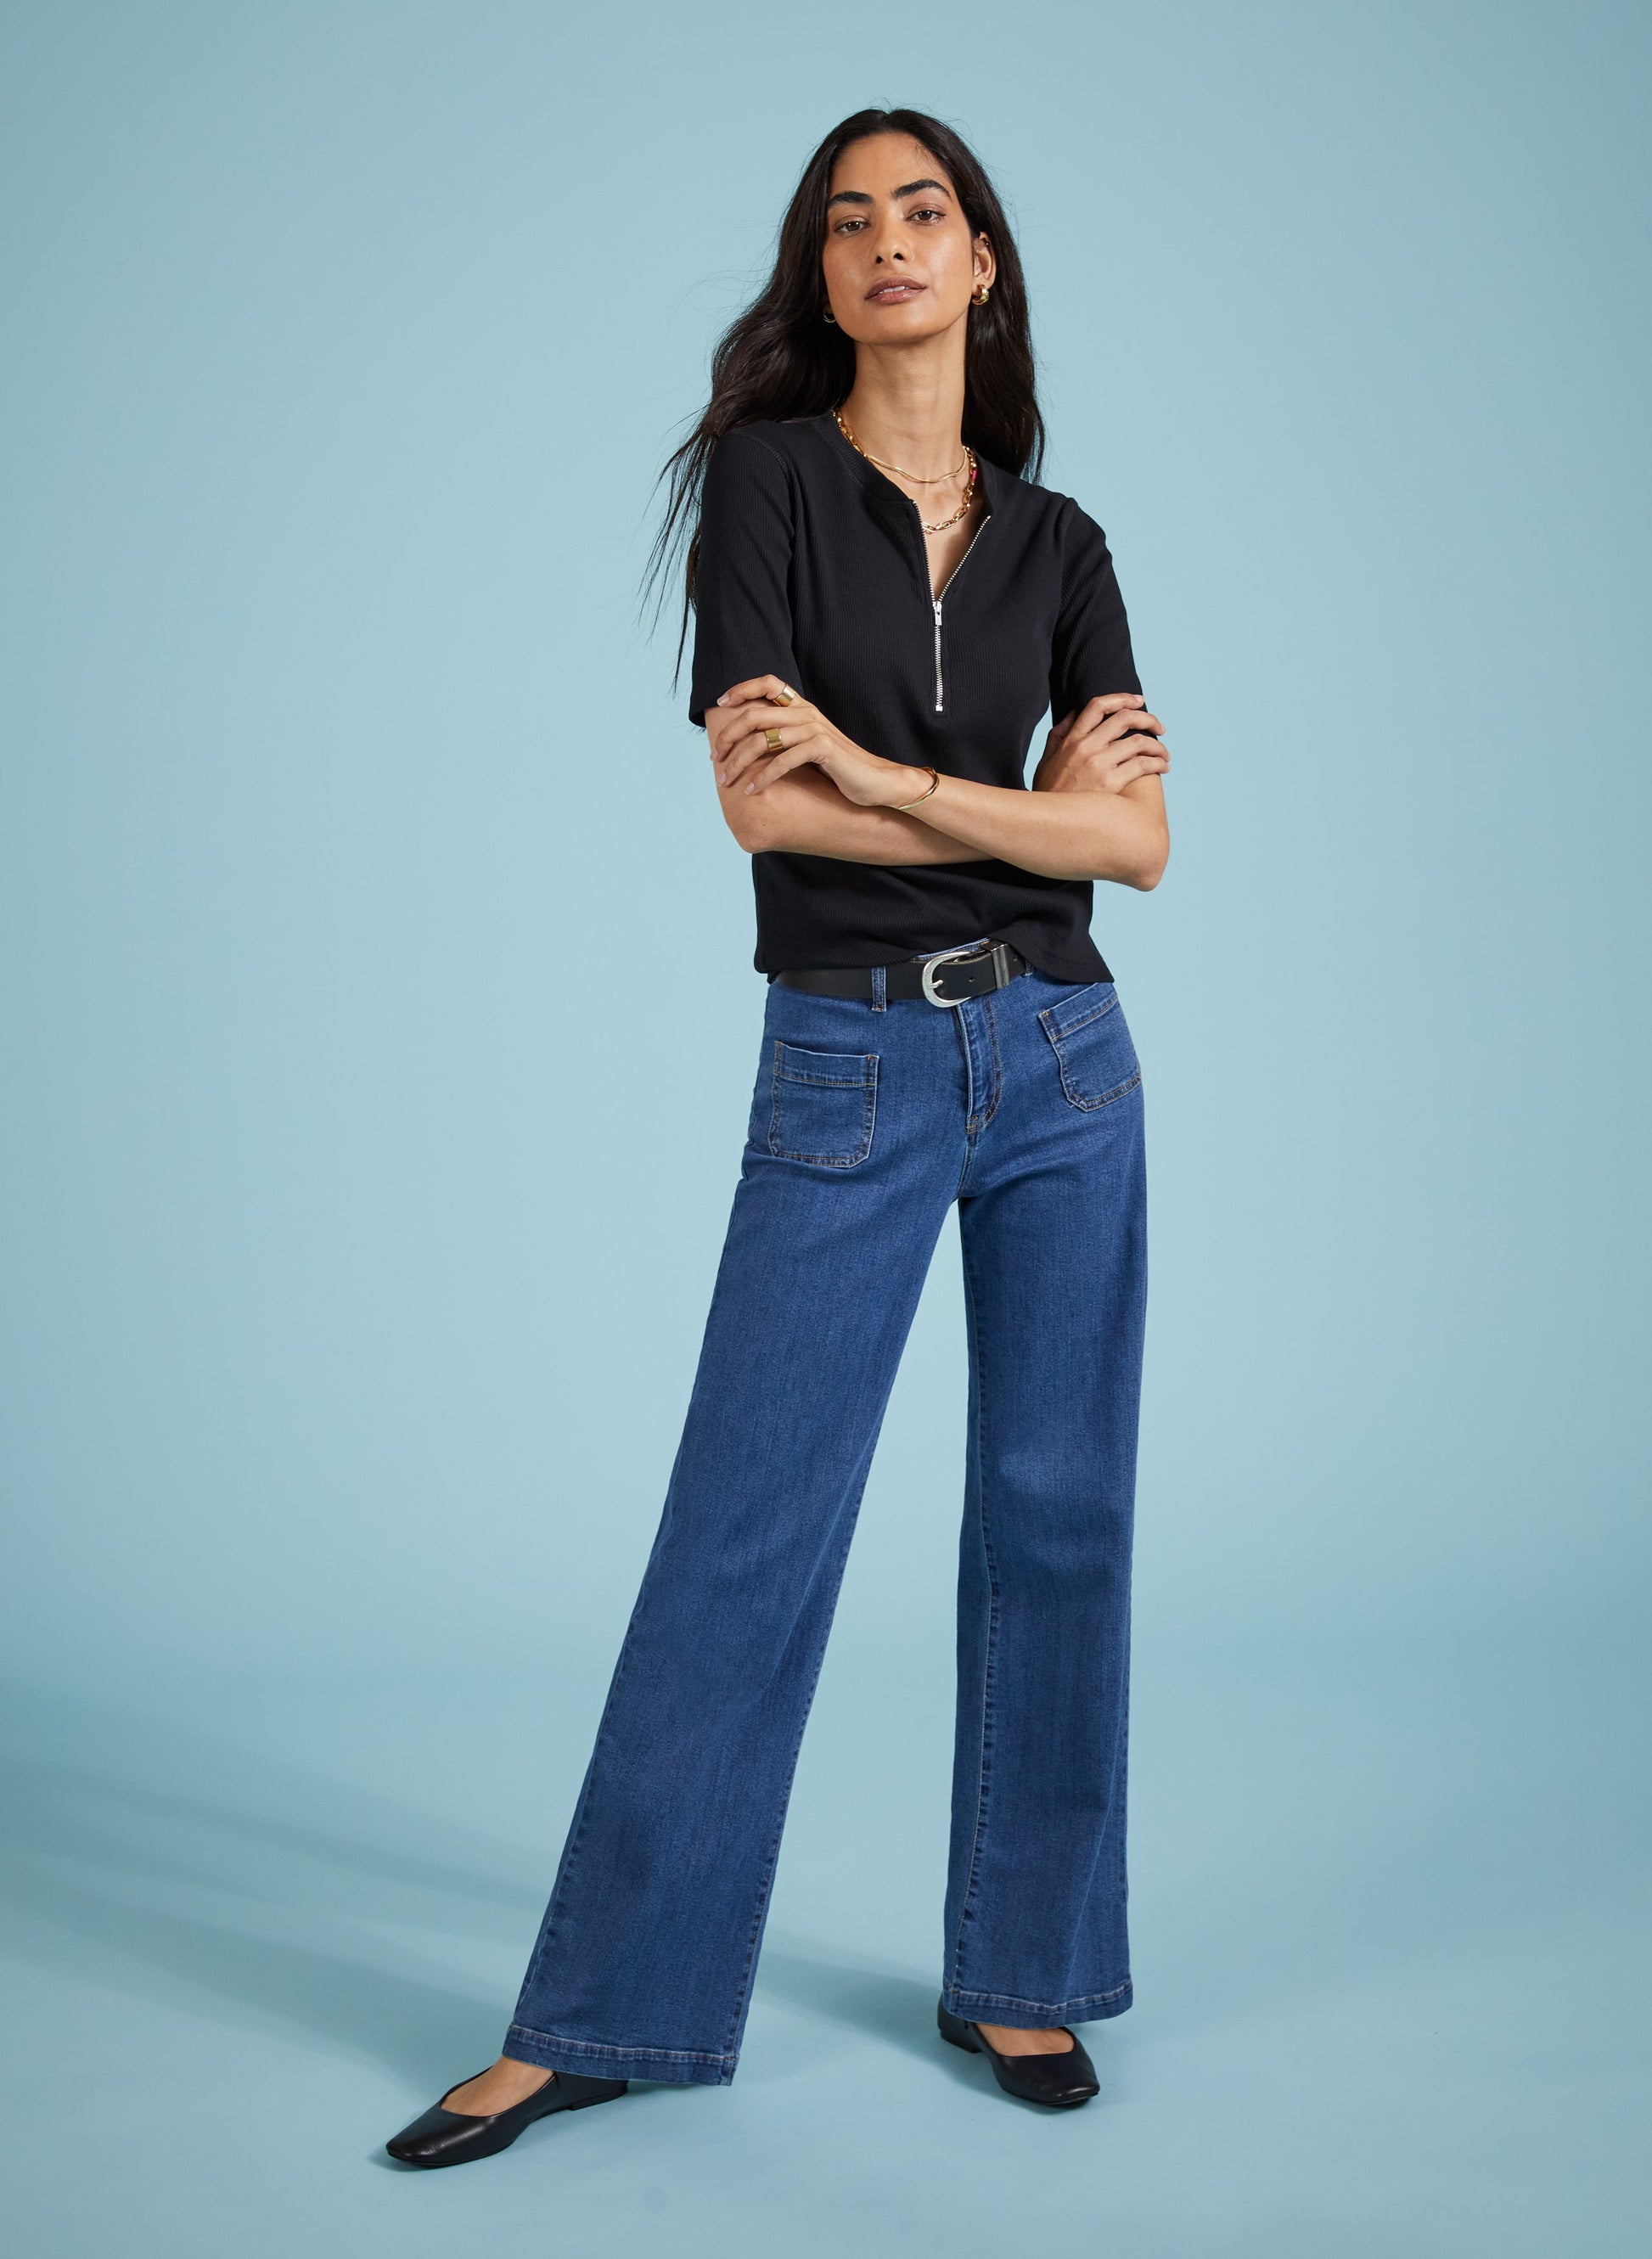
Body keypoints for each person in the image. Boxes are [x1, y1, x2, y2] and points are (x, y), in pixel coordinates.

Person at [386, 106, 1169, 2169]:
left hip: (1066, 1060)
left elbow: (1139, 845)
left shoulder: (1062, 541)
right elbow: (760, 803)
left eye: (924, 211)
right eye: (847, 220)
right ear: (822, 273)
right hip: (850, 1056)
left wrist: (895, 783)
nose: (885, 240)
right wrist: (1016, 807)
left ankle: (1021, 1962)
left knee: (1061, 1513)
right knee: (747, 1529)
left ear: (981, 262)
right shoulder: (768, 482)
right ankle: (603, 2011)